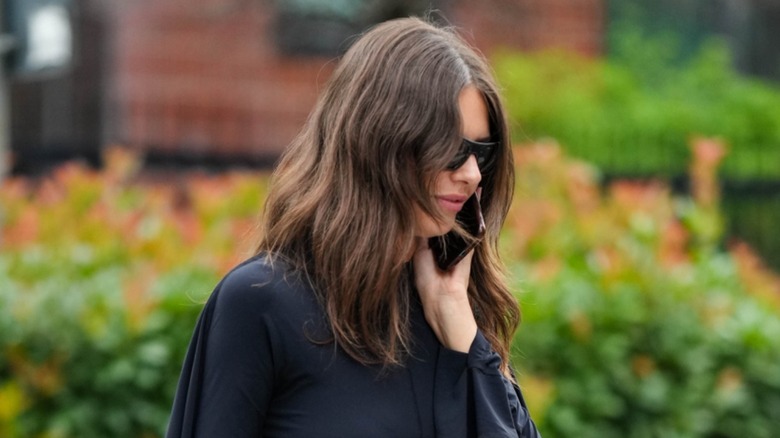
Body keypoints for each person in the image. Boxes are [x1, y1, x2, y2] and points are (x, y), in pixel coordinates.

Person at [166, 16, 541, 438]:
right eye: (452, 149)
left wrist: (459, 322)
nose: (472, 173)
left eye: (482, 153)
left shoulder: (452, 313)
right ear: (380, 143)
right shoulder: (263, 303)